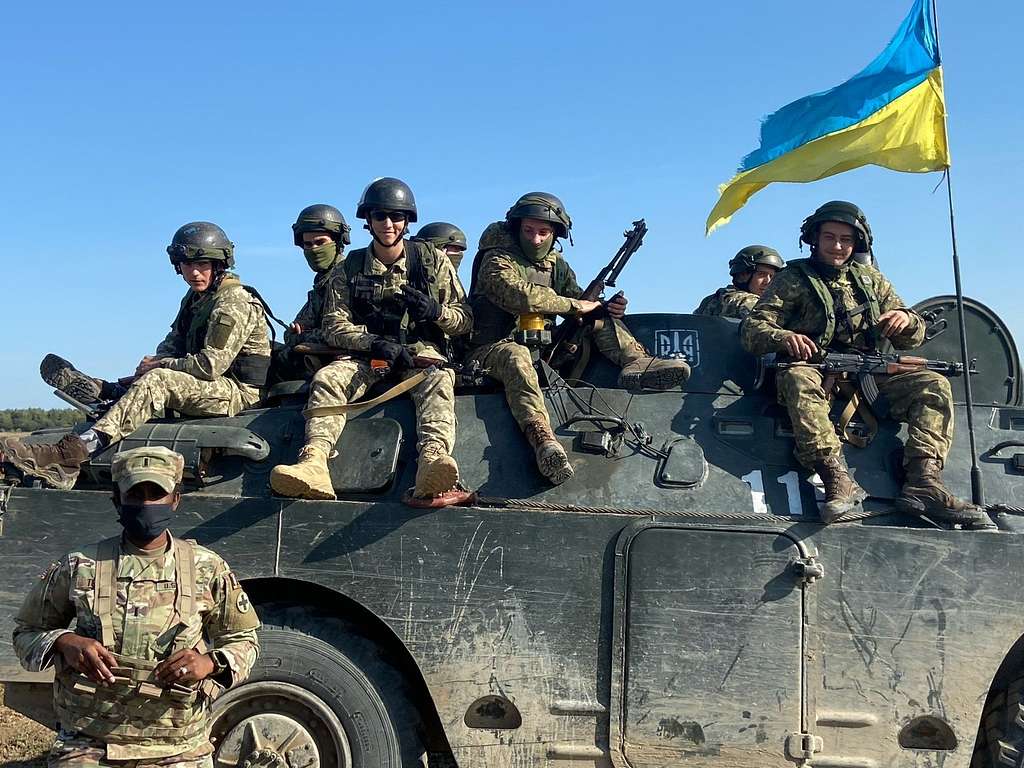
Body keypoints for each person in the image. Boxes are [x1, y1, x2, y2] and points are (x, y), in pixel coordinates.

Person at [740, 200, 988, 526]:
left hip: (868, 371)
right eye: (830, 237)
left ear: (857, 243)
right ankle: (834, 475)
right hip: (813, 368)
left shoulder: (872, 280)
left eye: (846, 239)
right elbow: (752, 328)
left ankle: (923, 482)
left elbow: (911, 335)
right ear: (814, 239)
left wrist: (905, 320)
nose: (838, 246)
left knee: (933, 385)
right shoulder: (792, 279)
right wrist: (784, 338)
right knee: (797, 379)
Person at [12, 446, 260, 767]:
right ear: (117, 500)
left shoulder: (207, 568)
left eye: (156, 493)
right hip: (91, 741)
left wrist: (209, 663)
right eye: (135, 494)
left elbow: (245, 640)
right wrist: (66, 642)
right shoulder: (80, 565)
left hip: (178, 745)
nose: (145, 503)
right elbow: (26, 633)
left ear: (175, 499)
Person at [2, 222, 271, 490]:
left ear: (219, 264)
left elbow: (210, 366)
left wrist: (159, 367)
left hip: (238, 391)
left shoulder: (233, 302)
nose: (194, 272)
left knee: (160, 380)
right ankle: (111, 391)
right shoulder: (195, 299)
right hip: (206, 384)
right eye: (187, 265)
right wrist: (148, 368)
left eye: (202, 264)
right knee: (153, 377)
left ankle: (72, 453)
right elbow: (173, 343)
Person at [465, 192, 690, 484]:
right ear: (516, 227)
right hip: (487, 351)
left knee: (596, 317)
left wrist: (605, 309)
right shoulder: (496, 258)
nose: (535, 239)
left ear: (555, 234)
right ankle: (542, 438)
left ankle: (637, 363)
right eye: (528, 231)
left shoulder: (554, 264)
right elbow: (517, 293)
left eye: (543, 232)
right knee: (515, 355)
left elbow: (580, 299)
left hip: (542, 348)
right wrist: (575, 306)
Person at [270, 178, 473, 502]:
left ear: (408, 221)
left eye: (396, 217)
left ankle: (432, 464)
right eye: (380, 217)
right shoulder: (350, 267)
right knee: (327, 379)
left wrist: (435, 312)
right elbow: (334, 325)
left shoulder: (432, 261)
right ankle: (314, 464)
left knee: (438, 380)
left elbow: (465, 321)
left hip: (418, 357)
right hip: (368, 357)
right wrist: (373, 343)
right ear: (369, 221)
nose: (388, 224)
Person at [275, 204, 352, 380]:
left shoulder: (350, 277)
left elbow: (338, 333)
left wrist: (305, 335)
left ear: (338, 241)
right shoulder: (321, 284)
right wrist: (299, 333)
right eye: (308, 244)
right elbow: (293, 332)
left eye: (320, 243)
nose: (314, 250)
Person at [694, 245, 785, 318]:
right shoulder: (745, 300)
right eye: (761, 274)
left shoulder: (710, 300)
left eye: (772, 277)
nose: (768, 281)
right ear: (742, 275)